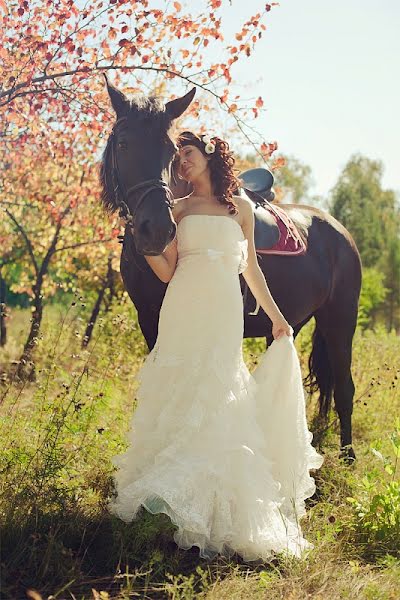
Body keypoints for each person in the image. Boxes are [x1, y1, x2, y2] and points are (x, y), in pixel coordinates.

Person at [108, 131, 324, 563]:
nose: (182, 162)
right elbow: (167, 271)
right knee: (178, 388)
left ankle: (212, 498)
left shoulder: (239, 208)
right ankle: (165, 495)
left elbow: (252, 270)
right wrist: (142, 240)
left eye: (188, 154)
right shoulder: (178, 209)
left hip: (224, 309)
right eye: (180, 156)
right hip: (183, 305)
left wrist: (278, 317)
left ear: (209, 157)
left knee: (219, 390)